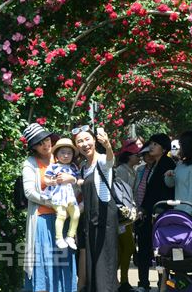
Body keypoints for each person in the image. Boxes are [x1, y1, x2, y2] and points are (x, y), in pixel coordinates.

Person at [22, 123, 77, 292]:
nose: (45, 145)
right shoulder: (30, 164)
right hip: (42, 220)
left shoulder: (61, 157)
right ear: (33, 147)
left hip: (63, 219)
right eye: (40, 143)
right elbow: (29, 192)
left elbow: (75, 184)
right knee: (44, 261)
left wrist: (72, 182)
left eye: (46, 140)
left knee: (63, 261)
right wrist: (53, 201)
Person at [73, 125, 118, 292]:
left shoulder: (101, 159)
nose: (85, 144)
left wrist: (108, 146)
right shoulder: (84, 167)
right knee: (93, 261)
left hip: (105, 217)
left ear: (94, 140)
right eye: (80, 142)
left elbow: (110, 162)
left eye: (87, 139)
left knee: (104, 261)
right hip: (90, 219)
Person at [134, 133, 175, 292]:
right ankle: (144, 283)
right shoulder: (154, 165)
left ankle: (162, 284)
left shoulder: (167, 163)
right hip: (149, 214)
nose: (151, 147)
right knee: (145, 248)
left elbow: (165, 191)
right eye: (150, 144)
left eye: (155, 145)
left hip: (159, 215)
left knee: (160, 250)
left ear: (164, 148)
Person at [42, 138, 82, 250]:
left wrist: (78, 180)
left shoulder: (73, 167)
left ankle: (70, 236)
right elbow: (46, 179)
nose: (66, 155)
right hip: (58, 195)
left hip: (70, 196)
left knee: (76, 214)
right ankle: (59, 238)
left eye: (69, 153)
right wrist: (52, 181)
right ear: (56, 154)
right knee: (61, 215)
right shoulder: (53, 166)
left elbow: (78, 178)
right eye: (63, 152)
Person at [115, 139, 141, 292]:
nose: (139, 158)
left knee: (123, 248)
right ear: (128, 156)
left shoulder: (133, 170)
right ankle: (121, 281)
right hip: (122, 217)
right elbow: (121, 195)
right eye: (136, 155)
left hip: (129, 216)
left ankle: (118, 280)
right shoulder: (121, 171)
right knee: (128, 247)